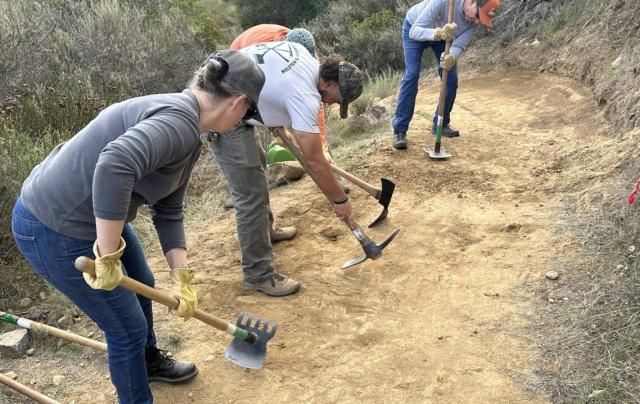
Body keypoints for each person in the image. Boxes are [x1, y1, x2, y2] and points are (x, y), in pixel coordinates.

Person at [11, 50, 265, 403]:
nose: (243, 121)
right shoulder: (178, 123)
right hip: (54, 224)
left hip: (84, 216)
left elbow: (170, 209)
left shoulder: (191, 130)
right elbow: (114, 165)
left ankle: (147, 363)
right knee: (126, 329)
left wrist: (182, 277)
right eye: (249, 113)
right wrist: (108, 254)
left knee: (142, 282)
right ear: (239, 102)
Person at [204, 37, 363, 297]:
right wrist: (339, 199)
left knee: (258, 170)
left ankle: (264, 232)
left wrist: (272, 110)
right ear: (331, 83)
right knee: (250, 195)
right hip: (220, 112)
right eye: (338, 99)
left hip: (237, 101)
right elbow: (314, 161)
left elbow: (271, 74)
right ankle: (258, 275)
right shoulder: (305, 94)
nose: (334, 104)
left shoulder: (305, 58)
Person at [391, 0, 500, 149]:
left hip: (443, 38)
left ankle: (440, 124)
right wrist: (438, 33)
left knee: (451, 79)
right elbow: (414, 31)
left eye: (480, 19)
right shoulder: (444, 2)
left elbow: (459, 44)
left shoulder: (473, 22)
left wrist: (452, 57)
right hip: (416, 28)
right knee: (412, 75)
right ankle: (399, 130)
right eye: (477, 15)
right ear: (471, 2)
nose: (476, 21)